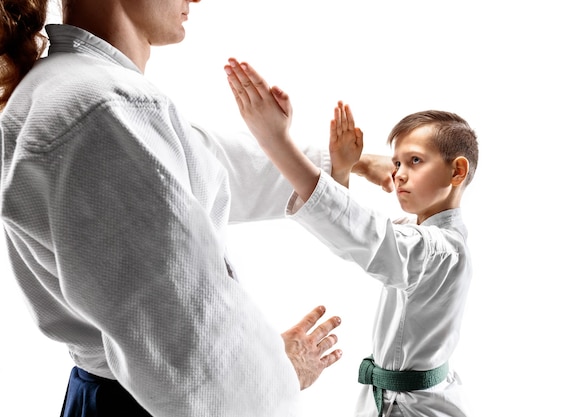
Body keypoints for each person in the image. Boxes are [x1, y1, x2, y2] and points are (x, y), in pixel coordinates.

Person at [0, 1, 395, 416]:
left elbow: (203, 165)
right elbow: (191, 354)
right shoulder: (101, 109)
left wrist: (341, 164)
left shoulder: (75, 88)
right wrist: (278, 372)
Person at [224, 58, 479, 417]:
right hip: (396, 400)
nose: (400, 174)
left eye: (415, 161)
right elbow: (356, 231)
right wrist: (345, 168)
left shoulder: (442, 251)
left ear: (457, 171)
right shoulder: (419, 232)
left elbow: (365, 236)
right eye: (397, 163)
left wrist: (276, 140)